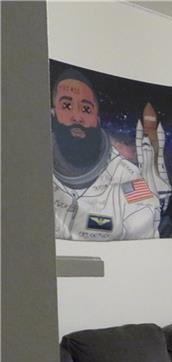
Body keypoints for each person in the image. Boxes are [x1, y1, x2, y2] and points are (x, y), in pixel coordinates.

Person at [51, 68, 161, 240]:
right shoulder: (28, 168)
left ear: (97, 119)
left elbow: (144, 248)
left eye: (86, 109)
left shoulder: (128, 180)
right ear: (52, 113)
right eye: (67, 105)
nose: (77, 117)